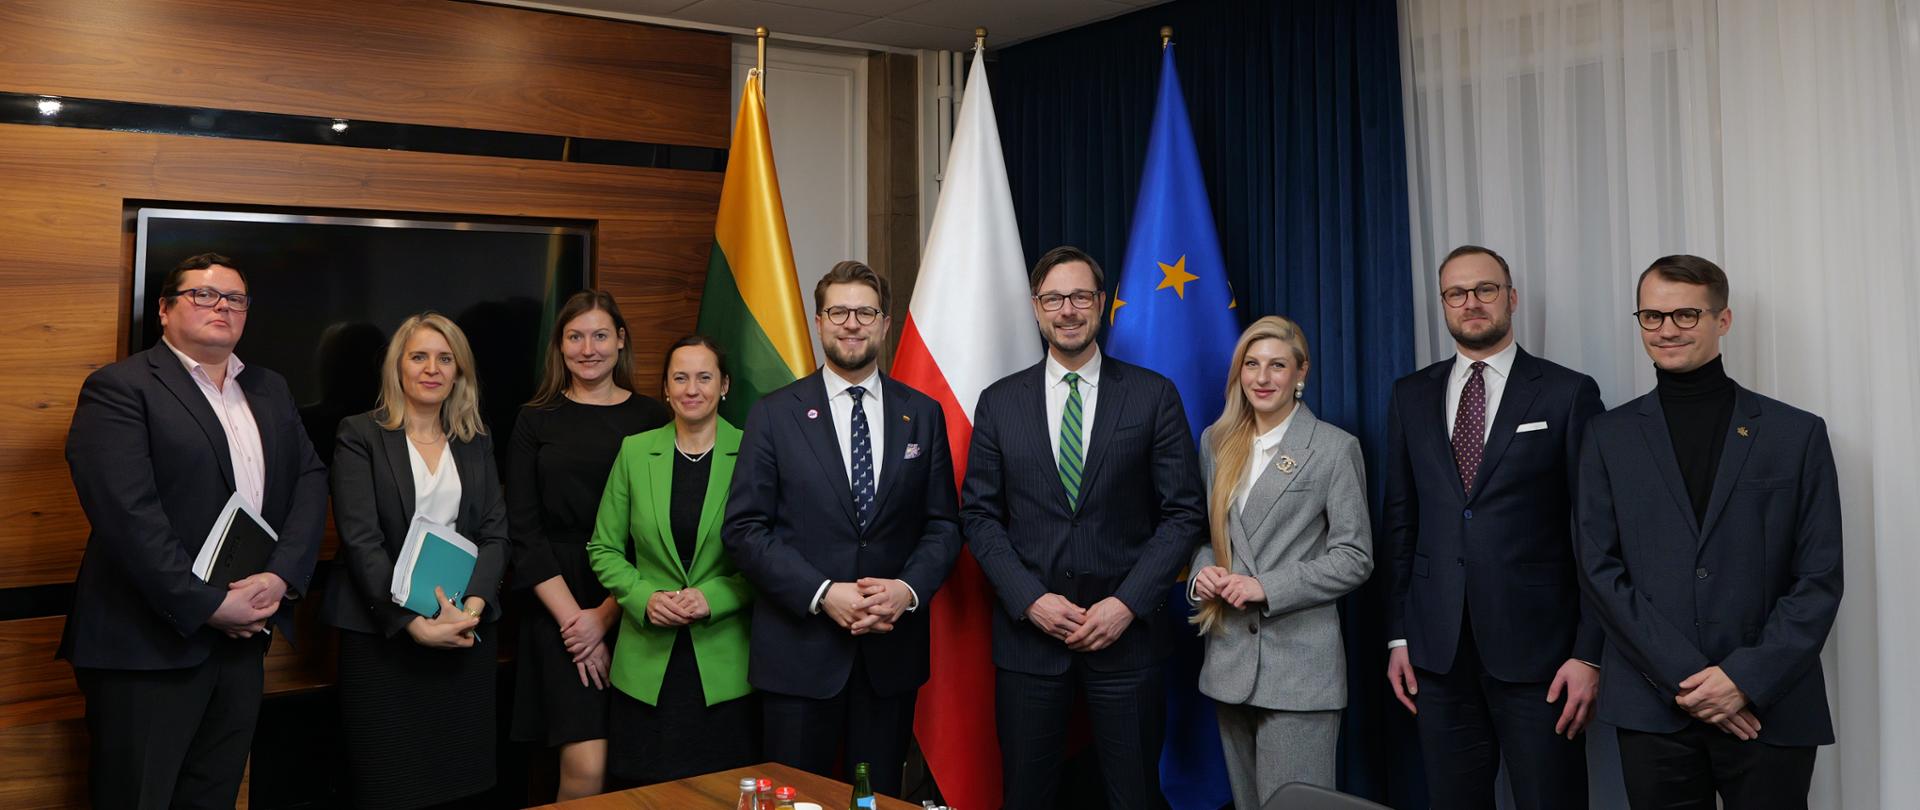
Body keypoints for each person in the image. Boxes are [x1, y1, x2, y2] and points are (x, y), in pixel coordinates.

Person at [61, 252, 328, 809]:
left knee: (214, 795)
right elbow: (126, 515)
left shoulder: (270, 389)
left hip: (242, 640)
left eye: (235, 299)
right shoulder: (120, 388)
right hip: (147, 645)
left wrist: (280, 579)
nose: (222, 307)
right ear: (164, 310)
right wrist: (207, 604)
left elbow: (309, 479)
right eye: (204, 295)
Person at [1575, 255, 1842, 810]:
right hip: (1654, 709)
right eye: (1652, 316)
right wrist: (1695, 682)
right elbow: (1599, 571)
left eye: (1686, 315)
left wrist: (1743, 679)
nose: (1667, 329)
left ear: (1723, 321)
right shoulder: (1607, 436)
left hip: (1771, 707)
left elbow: (1819, 578)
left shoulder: (1797, 434)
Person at [961, 246, 1206, 810]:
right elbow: (978, 514)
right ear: (1036, 307)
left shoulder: (1152, 395)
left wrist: (1126, 604)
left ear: (1101, 303)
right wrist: (1031, 600)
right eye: (1053, 298)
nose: (1067, 310)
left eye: (1079, 297)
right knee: (1027, 796)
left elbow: (1182, 512)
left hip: (1128, 642)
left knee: (1134, 796)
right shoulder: (999, 403)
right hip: (1030, 644)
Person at [721, 261, 962, 797]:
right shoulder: (774, 414)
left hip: (889, 656)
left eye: (865, 312)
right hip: (798, 656)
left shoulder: (921, 414)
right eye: (838, 311)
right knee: (795, 802)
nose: (851, 323)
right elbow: (744, 528)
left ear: (884, 323)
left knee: (876, 801)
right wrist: (822, 593)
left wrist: (906, 590)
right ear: (818, 320)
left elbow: (943, 525)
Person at [1381, 245, 1604, 809]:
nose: (1471, 303)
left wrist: (1589, 652)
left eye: (1485, 289)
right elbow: (1401, 520)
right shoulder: (1411, 394)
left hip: (1541, 655)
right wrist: (1400, 634)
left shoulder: (1567, 391)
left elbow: (1594, 530)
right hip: (1437, 651)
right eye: (1457, 293)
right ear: (1443, 304)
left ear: (1511, 298)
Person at [321, 312, 510, 810]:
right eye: (419, 356)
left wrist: (468, 611)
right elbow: (361, 540)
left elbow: (495, 534)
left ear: (459, 372)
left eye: (445, 358)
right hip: (383, 637)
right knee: (388, 785)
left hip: (461, 634)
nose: (432, 368)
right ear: (397, 368)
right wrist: (410, 622)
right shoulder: (359, 434)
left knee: (461, 784)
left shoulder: (476, 440)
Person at [1187, 315, 1372, 807]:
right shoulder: (1216, 442)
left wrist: (1267, 586)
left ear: (1301, 373)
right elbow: (1210, 537)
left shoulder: (1334, 449)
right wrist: (1205, 570)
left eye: (1277, 365)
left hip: (1300, 673)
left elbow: (1355, 557)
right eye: (1251, 364)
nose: (1262, 378)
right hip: (1229, 664)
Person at [507, 291, 671, 800]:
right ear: (560, 346)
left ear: (621, 341)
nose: (588, 348)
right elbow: (523, 531)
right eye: (575, 337)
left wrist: (605, 616)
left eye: (600, 335)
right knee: (586, 765)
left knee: (640, 765)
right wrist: (576, 624)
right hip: (555, 602)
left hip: (635, 598)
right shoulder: (534, 419)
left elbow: (663, 526)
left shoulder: (653, 418)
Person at [588, 335, 757, 785]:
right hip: (645, 668)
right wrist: (644, 597)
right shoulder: (635, 451)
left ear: (724, 386)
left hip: (724, 668)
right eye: (680, 377)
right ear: (664, 388)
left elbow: (769, 553)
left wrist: (712, 598)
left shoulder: (755, 452)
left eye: (705, 377)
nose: (691, 388)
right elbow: (602, 548)